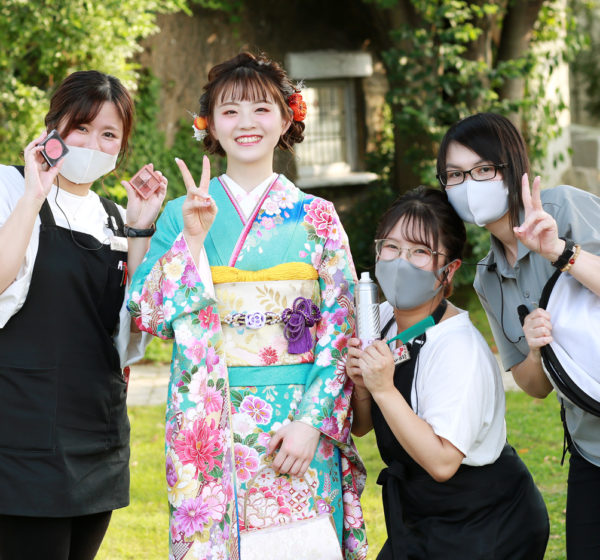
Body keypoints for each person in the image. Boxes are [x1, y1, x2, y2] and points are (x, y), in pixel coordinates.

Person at [128, 51, 367, 560]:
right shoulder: (181, 213)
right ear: (209, 124)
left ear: (286, 118)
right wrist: (191, 242)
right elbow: (146, 313)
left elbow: (342, 328)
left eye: (261, 108)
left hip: (294, 425)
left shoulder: (318, 217)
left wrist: (312, 423)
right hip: (208, 423)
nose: (246, 123)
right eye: (229, 110)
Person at [0, 70, 167, 560]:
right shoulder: (10, 187)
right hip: (20, 432)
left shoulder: (115, 217)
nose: (93, 142)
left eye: (109, 134)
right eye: (82, 128)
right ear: (54, 128)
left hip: (99, 434)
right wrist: (35, 193)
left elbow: (139, 325)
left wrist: (141, 229)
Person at [346, 187, 549, 560]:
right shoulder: (383, 319)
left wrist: (384, 389)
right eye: (391, 247)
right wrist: (362, 385)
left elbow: (442, 462)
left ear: (449, 269)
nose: (400, 261)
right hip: (419, 516)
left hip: (484, 522)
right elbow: (362, 426)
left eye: (420, 252)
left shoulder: (459, 348)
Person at [436, 111, 600, 559]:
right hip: (590, 447)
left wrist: (560, 252)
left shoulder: (564, 208)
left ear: (510, 167)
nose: (469, 184)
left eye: (483, 170)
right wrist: (534, 350)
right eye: (454, 175)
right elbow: (533, 387)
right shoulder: (488, 278)